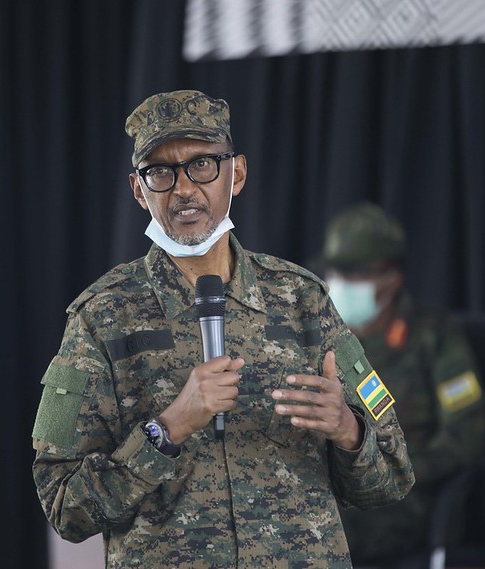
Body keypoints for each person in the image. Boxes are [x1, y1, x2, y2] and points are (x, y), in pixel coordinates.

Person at [31, 90, 415, 569]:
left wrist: (348, 429)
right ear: (138, 190)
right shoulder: (101, 316)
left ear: (237, 173)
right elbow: (63, 505)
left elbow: (394, 476)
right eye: (161, 173)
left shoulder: (303, 300)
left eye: (203, 166)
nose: (184, 188)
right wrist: (167, 428)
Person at [314, 202, 485, 566]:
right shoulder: (321, 335)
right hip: (333, 486)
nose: (341, 283)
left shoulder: (434, 337)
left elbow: (465, 436)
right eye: (336, 272)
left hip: (406, 500)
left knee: (318, 528)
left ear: (390, 277)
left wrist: (387, 471)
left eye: (356, 274)